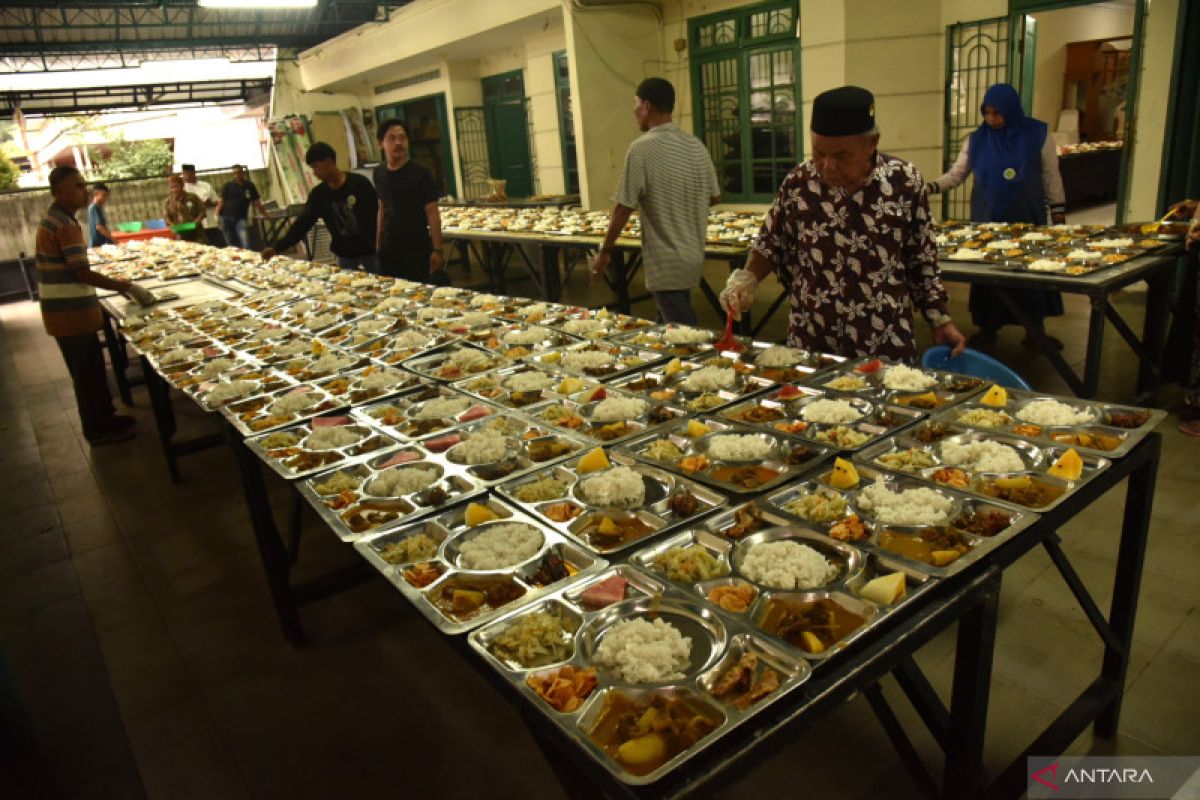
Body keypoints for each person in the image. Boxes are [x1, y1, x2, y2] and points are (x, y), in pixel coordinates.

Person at [720, 85, 965, 361]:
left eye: (841, 156)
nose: (827, 166)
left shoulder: (904, 182)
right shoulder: (799, 183)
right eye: (818, 152)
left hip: (883, 340)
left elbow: (921, 259)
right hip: (811, 339)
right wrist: (746, 280)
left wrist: (940, 319)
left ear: (872, 143)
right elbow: (770, 243)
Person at [927, 83, 1067, 349]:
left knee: (1029, 276)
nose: (992, 119)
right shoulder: (976, 140)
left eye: (998, 113)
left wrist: (1058, 211)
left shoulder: (1038, 135)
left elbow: (1051, 175)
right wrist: (931, 186)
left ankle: (1034, 330)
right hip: (988, 218)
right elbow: (957, 174)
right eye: (987, 113)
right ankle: (987, 327)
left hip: (1027, 217)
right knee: (988, 277)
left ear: (1011, 109)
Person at [37, 166, 155, 446]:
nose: (84, 190)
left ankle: (107, 417)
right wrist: (124, 286)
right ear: (58, 191)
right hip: (69, 314)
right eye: (77, 186)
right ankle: (97, 430)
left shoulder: (58, 219)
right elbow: (82, 273)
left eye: (83, 184)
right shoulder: (64, 224)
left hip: (68, 311)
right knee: (86, 374)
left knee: (91, 369)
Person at [591, 77, 720, 324]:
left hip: (665, 260)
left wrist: (605, 250)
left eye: (635, 103)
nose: (633, 109)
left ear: (647, 106)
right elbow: (713, 196)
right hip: (692, 254)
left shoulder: (641, 149)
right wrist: (680, 205)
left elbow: (623, 207)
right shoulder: (696, 146)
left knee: (685, 335)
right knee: (667, 326)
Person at [262, 142, 378, 271]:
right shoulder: (319, 195)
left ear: (328, 162)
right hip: (345, 255)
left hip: (370, 252)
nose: (314, 173)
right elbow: (302, 224)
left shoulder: (359, 184)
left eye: (316, 166)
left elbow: (378, 216)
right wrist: (276, 248)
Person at [374, 119, 447, 283]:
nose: (398, 143)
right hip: (388, 249)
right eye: (392, 138)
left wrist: (437, 249)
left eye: (402, 138)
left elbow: (432, 212)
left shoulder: (421, 173)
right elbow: (382, 207)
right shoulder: (379, 173)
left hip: (415, 249)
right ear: (381, 143)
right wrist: (378, 242)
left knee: (417, 296)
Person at [216, 165, 268, 249]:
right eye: (235, 173)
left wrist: (265, 214)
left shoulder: (249, 186)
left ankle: (248, 259)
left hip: (240, 218)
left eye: (239, 173)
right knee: (231, 244)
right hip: (226, 218)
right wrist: (217, 215)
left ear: (243, 173)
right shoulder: (227, 186)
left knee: (245, 241)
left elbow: (256, 202)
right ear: (233, 174)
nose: (237, 175)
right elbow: (221, 201)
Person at [181, 163, 221, 245]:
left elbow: (216, 201)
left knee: (217, 246)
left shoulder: (205, 185)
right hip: (195, 225)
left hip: (211, 223)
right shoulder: (183, 189)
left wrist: (209, 203)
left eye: (189, 173)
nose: (187, 176)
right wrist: (200, 205)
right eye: (185, 173)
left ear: (194, 173)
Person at [162, 175, 206, 242]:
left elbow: (202, 211)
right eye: (172, 187)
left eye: (176, 186)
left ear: (182, 185)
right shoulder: (167, 202)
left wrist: (196, 222)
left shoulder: (192, 197)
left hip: (197, 234)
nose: (175, 189)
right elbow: (166, 218)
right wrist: (173, 226)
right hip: (180, 235)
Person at [87, 183, 114, 248]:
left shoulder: (99, 208)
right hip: (97, 245)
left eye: (107, 196)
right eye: (103, 195)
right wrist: (113, 239)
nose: (105, 198)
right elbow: (99, 227)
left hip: (103, 243)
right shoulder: (94, 208)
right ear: (95, 194)